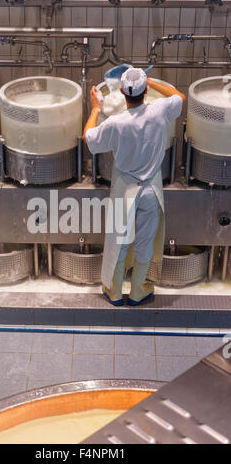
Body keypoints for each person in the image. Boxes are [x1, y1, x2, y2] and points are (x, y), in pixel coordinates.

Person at [83, 67, 186, 306]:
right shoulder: (159, 111)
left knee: (119, 239)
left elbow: (89, 138)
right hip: (150, 189)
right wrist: (148, 79)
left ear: (121, 91)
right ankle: (139, 290)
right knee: (145, 240)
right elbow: (179, 97)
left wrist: (96, 108)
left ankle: (115, 292)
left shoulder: (116, 123)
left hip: (125, 188)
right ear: (146, 91)